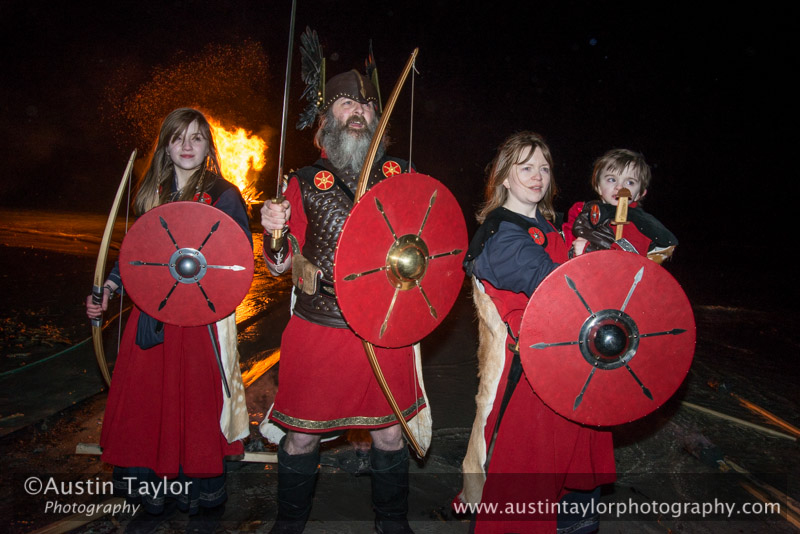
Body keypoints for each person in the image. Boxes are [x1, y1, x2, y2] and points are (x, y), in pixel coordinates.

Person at [259, 69, 430, 534]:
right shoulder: (304, 179)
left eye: (366, 105)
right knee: (299, 438)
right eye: (346, 104)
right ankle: (288, 526)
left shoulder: (402, 175)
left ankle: (391, 524)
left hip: (384, 327)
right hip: (320, 327)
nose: (358, 111)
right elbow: (280, 265)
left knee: (390, 433)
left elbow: (432, 246)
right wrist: (274, 229)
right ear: (326, 118)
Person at [86, 108, 252, 532]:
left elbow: (237, 263)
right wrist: (109, 289)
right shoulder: (151, 192)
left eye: (197, 138)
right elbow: (137, 255)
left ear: (208, 147)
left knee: (195, 406)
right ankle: (150, 497)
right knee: (147, 407)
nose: (187, 146)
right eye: (178, 138)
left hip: (199, 323)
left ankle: (199, 497)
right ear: (166, 144)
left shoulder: (224, 194)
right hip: (151, 319)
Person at [458, 132, 616, 533]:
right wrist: (593, 260)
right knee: (527, 504)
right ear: (504, 177)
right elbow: (558, 287)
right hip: (530, 382)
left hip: (570, 371)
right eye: (526, 167)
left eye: (544, 168)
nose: (538, 176)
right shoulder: (501, 235)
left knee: (575, 505)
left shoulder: (546, 225)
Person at [563, 148, 678, 263]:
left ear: (639, 194)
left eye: (630, 182)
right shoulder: (584, 211)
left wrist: (588, 250)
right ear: (598, 186)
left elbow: (628, 263)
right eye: (612, 179)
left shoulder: (638, 224)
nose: (620, 187)